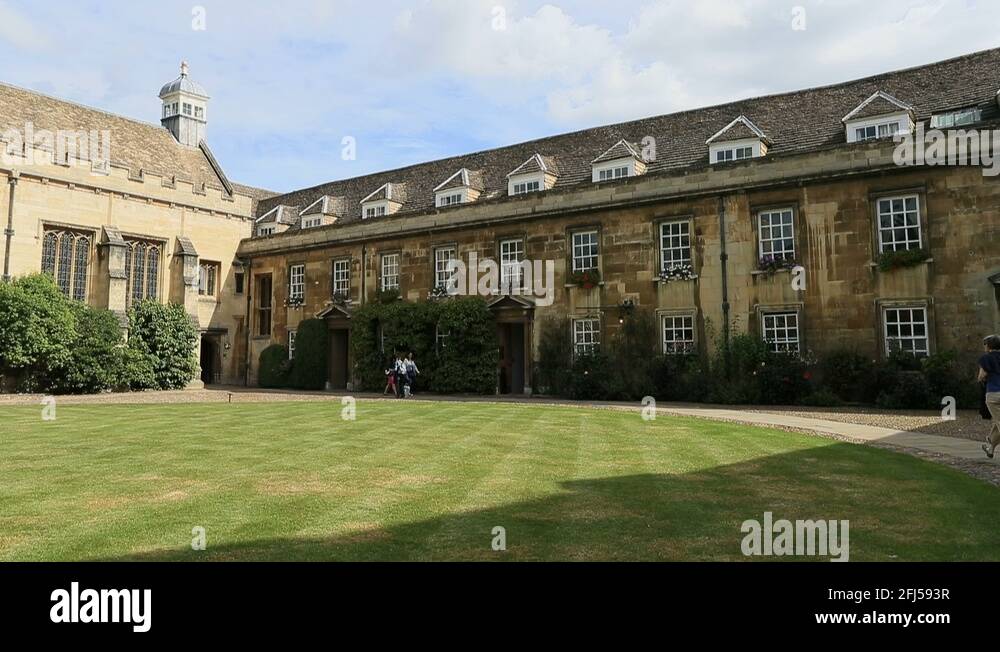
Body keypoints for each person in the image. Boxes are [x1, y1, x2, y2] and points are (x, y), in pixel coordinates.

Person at [978, 334, 1000, 458]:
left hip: (993, 394)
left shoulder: (986, 358)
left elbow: (981, 376)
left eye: (985, 344)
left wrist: (981, 379)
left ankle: (990, 444)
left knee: (999, 421)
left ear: (988, 346)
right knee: (997, 422)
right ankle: (990, 447)